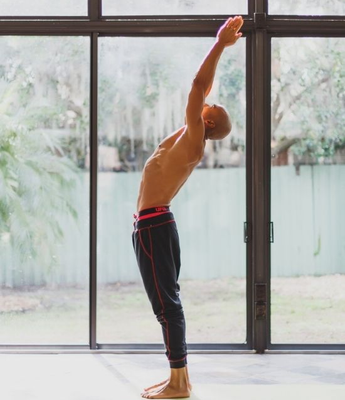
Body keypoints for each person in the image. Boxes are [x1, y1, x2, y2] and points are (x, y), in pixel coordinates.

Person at [132, 15, 244, 399]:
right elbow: (203, 88)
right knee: (166, 302)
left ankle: (179, 383)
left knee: (166, 304)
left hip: (154, 227)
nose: (207, 99)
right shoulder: (189, 135)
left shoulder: (194, 138)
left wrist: (220, 44)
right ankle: (178, 378)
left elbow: (199, 84)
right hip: (153, 226)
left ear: (208, 119)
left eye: (211, 105)